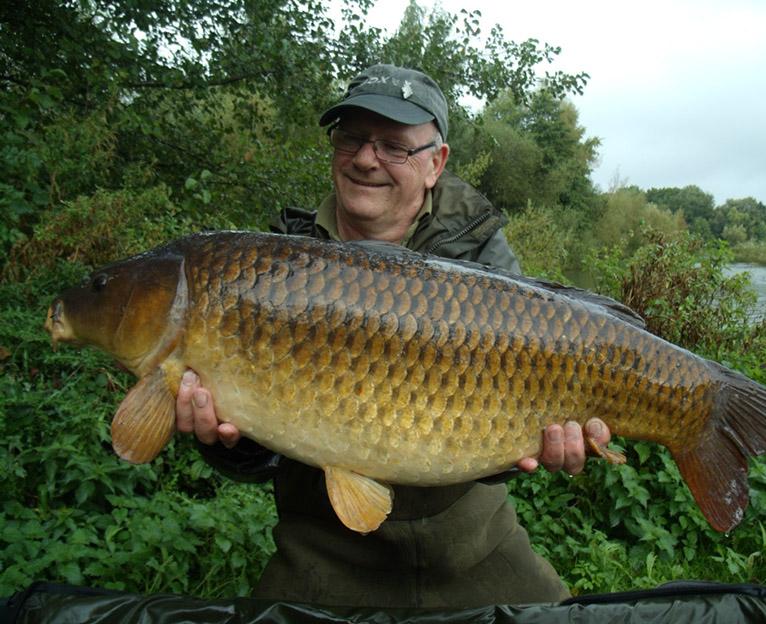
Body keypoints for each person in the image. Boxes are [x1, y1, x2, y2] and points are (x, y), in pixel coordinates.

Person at [176, 64, 611, 608]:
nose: (364, 158)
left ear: (436, 163)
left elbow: (505, 444)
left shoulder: (483, 256)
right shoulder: (277, 266)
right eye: (351, 138)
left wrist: (549, 445)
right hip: (323, 546)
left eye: (394, 147)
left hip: (471, 542)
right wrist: (226, 442)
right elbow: (259, 447)